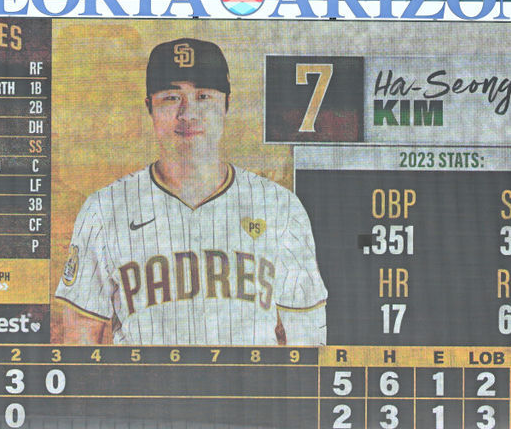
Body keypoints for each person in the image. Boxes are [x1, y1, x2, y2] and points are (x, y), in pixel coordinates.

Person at [55, 37, 327, 346]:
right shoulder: (104, 209)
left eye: (203, 96)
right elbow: (79, 339)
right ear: (150, 107)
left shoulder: (279, 206)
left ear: (226, 103)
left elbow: (308, 340)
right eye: (171, 98)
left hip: (250, 391)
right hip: (143, 392)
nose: (188, 113)